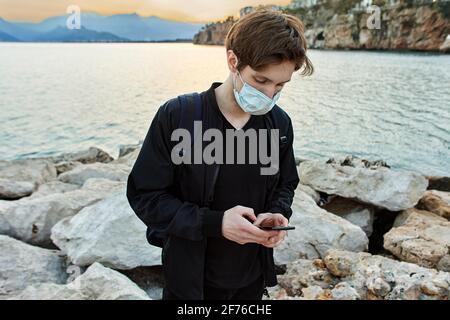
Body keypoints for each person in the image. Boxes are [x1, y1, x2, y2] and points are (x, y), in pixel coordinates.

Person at [126, 9, 314, 300]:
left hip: (251, 280)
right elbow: (145, 196)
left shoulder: (280, 123)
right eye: (260, 80)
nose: (269, 95)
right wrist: (216, 223)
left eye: (280, 85)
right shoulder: (178, 116)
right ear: (233, 61)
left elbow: (285, 184)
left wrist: (277, 214)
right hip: (190, 283)